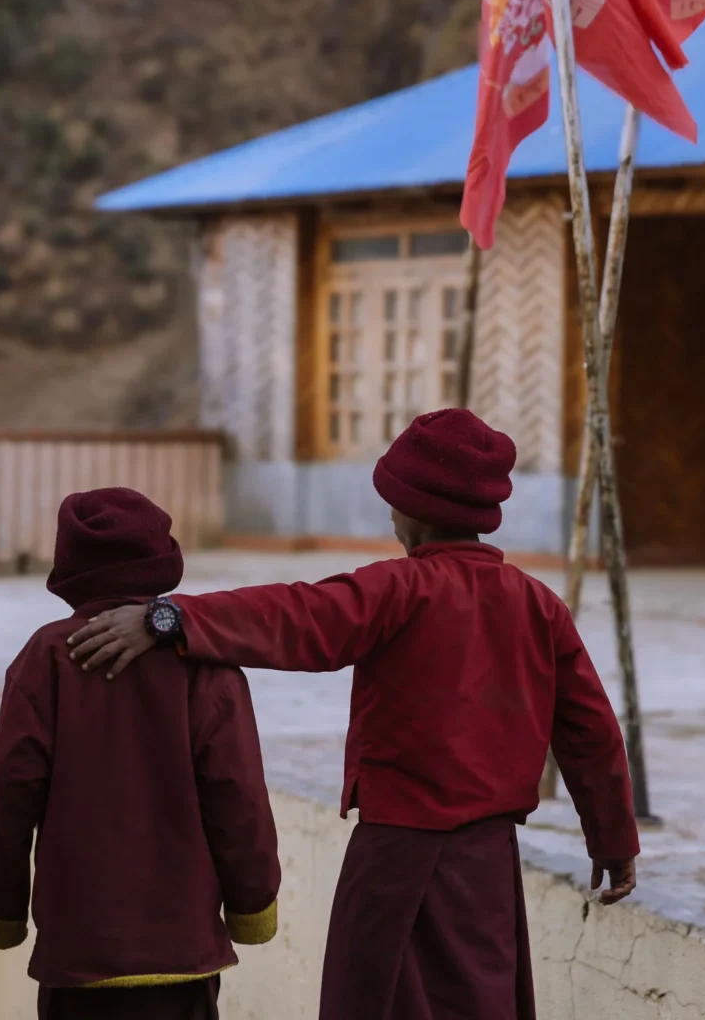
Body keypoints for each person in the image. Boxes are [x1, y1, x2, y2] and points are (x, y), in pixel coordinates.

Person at [69, 410, 640, 1020]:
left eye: (393, 503)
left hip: (398, 857)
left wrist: (170, 618)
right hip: (489, 864)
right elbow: (590, 729)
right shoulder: (538, 604)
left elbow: (295, 617)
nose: (389, 517)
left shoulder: (400, 590)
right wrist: (613, 839)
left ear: (414, 511)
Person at [0, 487, 280, 1020]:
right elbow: (237, 793)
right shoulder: (205, 662)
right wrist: (253, 902)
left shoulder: (47, 656)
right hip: (183, 952)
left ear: (69, 570)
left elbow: (9, 792)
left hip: (77, 953)